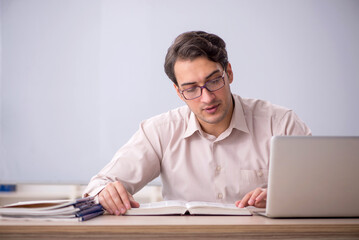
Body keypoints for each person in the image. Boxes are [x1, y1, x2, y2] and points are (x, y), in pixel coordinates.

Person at [83, 31, 311, 216]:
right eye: (191, 88)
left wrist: (282, 196)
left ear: (228, 73)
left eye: (213, 81)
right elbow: (98, 185)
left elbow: (319, 192)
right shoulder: (160, 131)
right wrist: (105, 192)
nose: (207, 98)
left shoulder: (281, 124)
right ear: (178, 92)